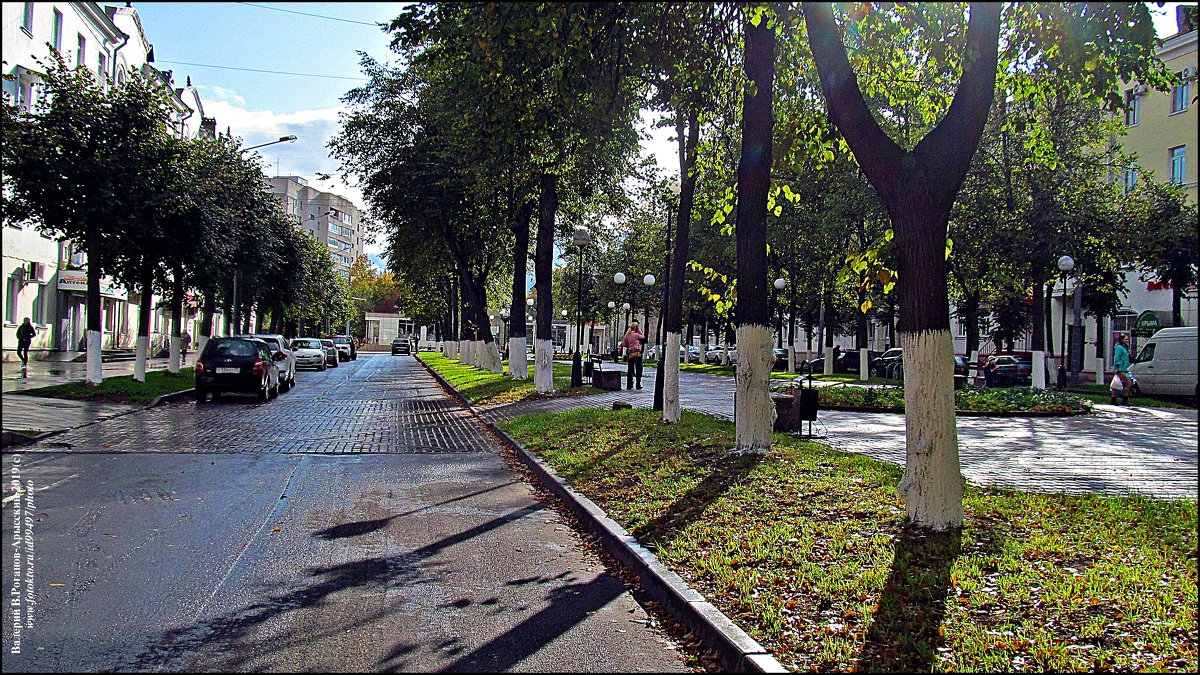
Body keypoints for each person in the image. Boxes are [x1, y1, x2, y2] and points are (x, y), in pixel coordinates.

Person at [621, 322, 647, 390]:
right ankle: (638, 384)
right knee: (639, 369)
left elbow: (623, 344)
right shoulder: (636, 335)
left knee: (630, 369)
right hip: (637, 354)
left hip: (630, 354)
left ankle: (629, 384)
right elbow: (643, 337)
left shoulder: (627, 335)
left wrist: (629, 346)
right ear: (636, 327)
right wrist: (639, 330)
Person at [1112, 333, 1133, 405]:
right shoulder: (1119, 347)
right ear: (1121, 339)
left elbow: (1126, 357)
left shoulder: (1124, 347)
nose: (1127, 340)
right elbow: (1117, 357)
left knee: (1117, 384)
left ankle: (1113, 400)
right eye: (1126, 339)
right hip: (1120, 368)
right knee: (1128, 383)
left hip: (1124, 368)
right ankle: (1124, 400)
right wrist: (1117, 367)